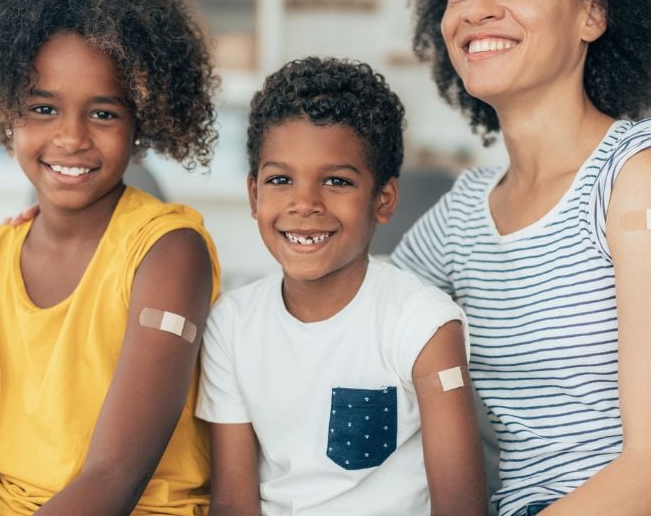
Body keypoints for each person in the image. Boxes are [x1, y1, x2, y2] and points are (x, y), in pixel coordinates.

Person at [390, 0, 651, 515]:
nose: (477, 8)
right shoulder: (462, 214)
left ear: (593, 12)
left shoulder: (640, 171)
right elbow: (359, 312)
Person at [0, 0, 222, 516]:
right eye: (43, 108)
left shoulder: (171, 253)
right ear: (3, 110)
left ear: (141, 120)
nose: (71, 137)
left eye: (103, 114)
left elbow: (116, 475)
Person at [198, 58, 486, 516]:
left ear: (383, 200)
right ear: (254, 195)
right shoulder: (231, 325)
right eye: (280, 180)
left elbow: (462, 506)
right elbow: (233, 502)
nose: (305, 203)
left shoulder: (423, 324)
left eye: (336, 181)